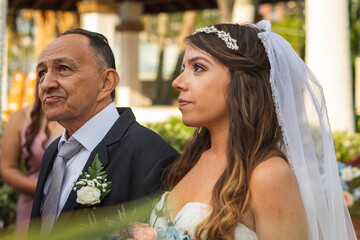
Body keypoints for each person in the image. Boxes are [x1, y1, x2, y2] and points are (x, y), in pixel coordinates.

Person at [150, 20, 356, 239]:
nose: (178, 82)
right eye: (184, 68)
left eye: (198, 68)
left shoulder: (269, 175)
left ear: (241, 82)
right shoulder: (195, 159)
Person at [29, 28, 179, 234]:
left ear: (106, 82)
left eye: (63, 68)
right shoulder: (54, 151)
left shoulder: (153, 158)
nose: (46, 84)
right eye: (42, 73)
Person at [0, 79, 63, 235]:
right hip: (31, 206)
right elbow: (7, 168)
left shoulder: (79, 117)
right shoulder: (19, 119)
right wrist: (44, 190)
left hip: (72, 208)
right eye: (43, 71)